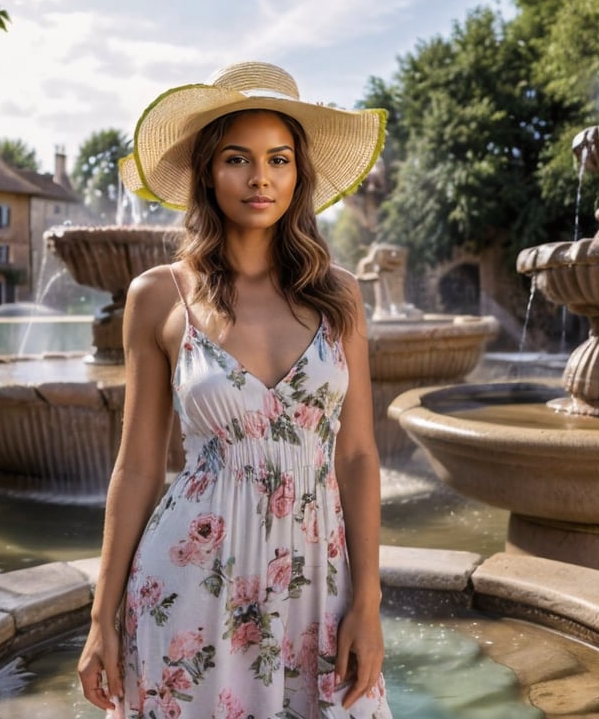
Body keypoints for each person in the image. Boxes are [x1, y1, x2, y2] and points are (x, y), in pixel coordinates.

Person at [77, 61, 392, 719]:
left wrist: (368, 602)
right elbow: (136, 466)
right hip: (191, 586)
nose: (260, 178)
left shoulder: (340, 298)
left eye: (279, 159)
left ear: (298, 173)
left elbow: (358, 456)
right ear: (206, 171)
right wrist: (100, 617)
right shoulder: (158, 296)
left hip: (318, 587)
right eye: (237, 159)